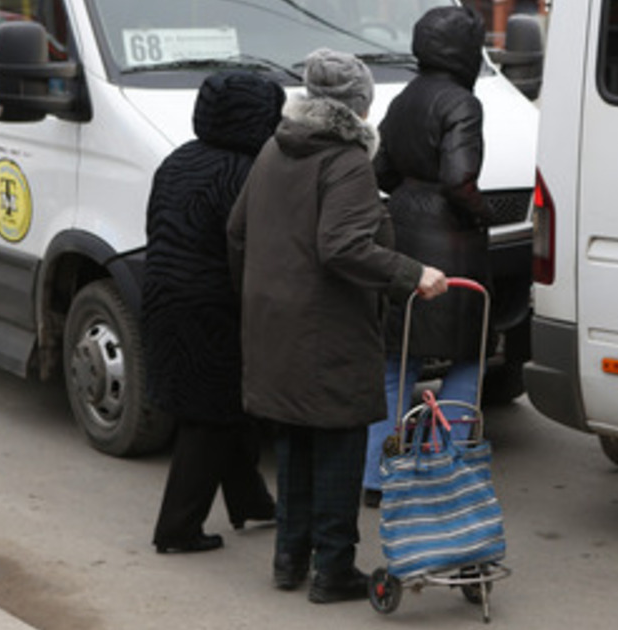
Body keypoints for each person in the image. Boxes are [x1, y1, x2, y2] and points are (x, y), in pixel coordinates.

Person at [226, 49, 448, 603]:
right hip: (329, 326)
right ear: (359, 104)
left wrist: (261, 293)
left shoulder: (273, 149)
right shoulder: (346, 161)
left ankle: (288, 558)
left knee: (296, 437)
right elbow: (343, 246)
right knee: (340, 444)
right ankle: (332, 570)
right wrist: (411, 272)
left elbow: (237, 231)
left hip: (274, 321)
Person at [145, 71, 285, 555]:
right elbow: (252, 249)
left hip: (164, 298)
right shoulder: (248, 172)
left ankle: (252, 501)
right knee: (210, 417)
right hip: (215, 308)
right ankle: (177, 529)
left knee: (224, 411)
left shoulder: (178, 159)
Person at [362, 5, 492, 508]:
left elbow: (382, 173)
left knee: (397, 360)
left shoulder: (404, 98)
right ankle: (441, 469)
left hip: (404, 235)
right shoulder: (461, 101)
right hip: (452, 244)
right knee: (467, 356)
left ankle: (376, 475)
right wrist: (482, 215)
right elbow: (460, 179)